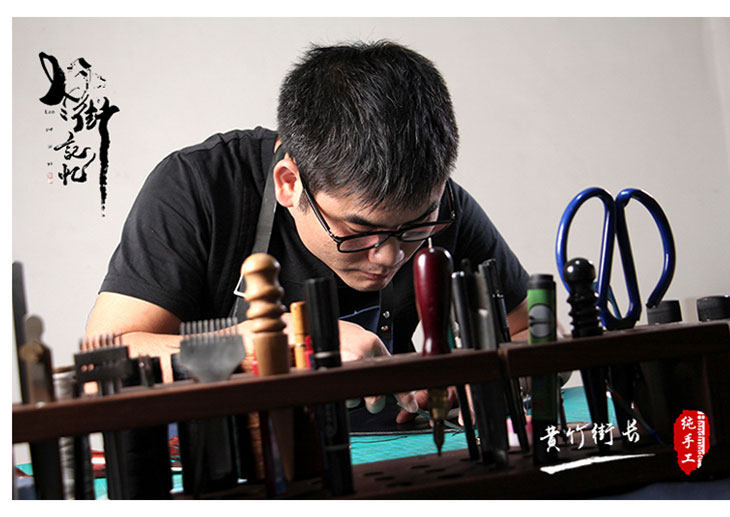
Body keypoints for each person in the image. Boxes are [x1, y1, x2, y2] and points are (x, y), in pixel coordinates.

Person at [85, 40, 530, 429]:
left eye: (413, 228)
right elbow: (101, 369)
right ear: (289, 183)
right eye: (360, 230)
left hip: (391, 453)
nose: (389, 256)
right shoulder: (200, 187)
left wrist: (490, 379)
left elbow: (532, 331)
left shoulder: (441, 208)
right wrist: (271, 344)